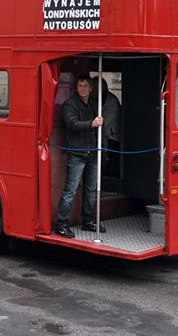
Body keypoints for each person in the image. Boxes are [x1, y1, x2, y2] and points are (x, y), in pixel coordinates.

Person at [54, 74, 106, 238]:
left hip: (92, 153)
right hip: (77, 153)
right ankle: (61, 224)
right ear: (76, 88)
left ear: (91, 88)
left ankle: (88, 221)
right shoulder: (69, 105)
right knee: (70, 190)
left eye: (86, 86)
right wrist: (92, 124)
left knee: (91, 190)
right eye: (80, 86)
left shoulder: (94, 104)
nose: (83, 89)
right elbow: (73, 124)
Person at [92, 77, 122, 177]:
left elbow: (106, 122)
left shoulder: (112, 102)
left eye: (94, 88)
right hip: (101, 137)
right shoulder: (96, 100)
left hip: (111, 137)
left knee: (112, 163)